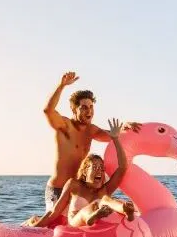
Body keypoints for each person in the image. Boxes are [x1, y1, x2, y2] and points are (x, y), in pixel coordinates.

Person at [41, 71, 140, 214]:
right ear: (74, 109)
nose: (89, 111)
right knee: (56, 225)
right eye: (84, 107)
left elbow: (111, 135)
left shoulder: (91, 130)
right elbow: (48, 110)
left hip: (76, 191)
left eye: (91, 107)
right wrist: (61, 85)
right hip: (57, 189)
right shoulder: (65, 126)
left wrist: (125, 126)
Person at [27, 119, 136, 228]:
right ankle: (91, 216)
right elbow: (53, 212)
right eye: (94, 167)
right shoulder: (74, 185)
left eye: (101, 168)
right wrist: (34, 229)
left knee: (106, 200)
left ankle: (126, 209)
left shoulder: (105, 189)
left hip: (95, 233)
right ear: (84, 172)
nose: (99, 170)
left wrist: (115, 139)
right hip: (75, 224)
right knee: (93, 206)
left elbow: (122, 167)